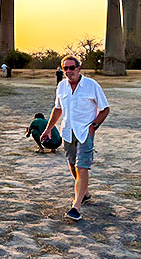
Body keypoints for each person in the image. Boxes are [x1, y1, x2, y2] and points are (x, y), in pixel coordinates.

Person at [40, 55, 109, 221]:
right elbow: (58, 109)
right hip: (68, 131)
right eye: (66, 68)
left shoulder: (91, 85)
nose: (69, 71)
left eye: (72, 67)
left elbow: (105, 109)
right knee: (72, 164)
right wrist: (48, 129)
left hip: (85, 132)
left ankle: (76, 206)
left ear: (79, 68)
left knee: (82, 166)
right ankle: (84, 193)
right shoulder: (62, 86)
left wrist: (94, 126)